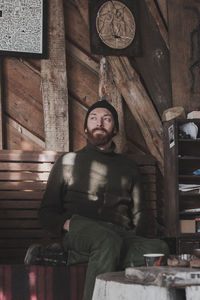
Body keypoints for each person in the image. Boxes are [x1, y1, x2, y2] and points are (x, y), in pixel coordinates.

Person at [39, 100, 169, 300]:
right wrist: (65, 224)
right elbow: (46, 211)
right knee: (107, 241)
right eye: (93, 118)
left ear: (114, 129)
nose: (99, 123)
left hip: (119, 233)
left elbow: (140, 212)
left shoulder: (128, 166)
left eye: (106, 119)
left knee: (159, 249)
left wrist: (135, 238)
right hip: (81, 227)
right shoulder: (67, 161)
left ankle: (74, 258)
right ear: (85, 127)